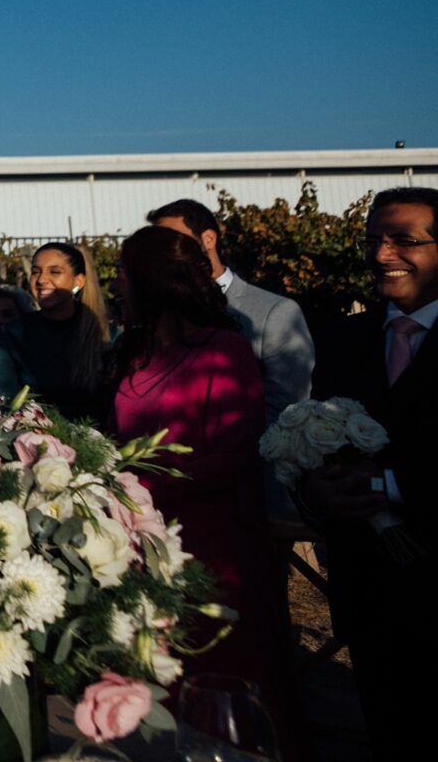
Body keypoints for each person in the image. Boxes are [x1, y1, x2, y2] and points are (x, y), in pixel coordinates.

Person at [108, 226, 305, 755]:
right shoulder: (136, 353)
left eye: (124, 270)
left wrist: (134, 485)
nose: (117, 281)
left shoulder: (226, 351)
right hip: (143, 542)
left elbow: (233, 455)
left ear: (151, 279)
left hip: (212, 546)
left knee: (224, 686)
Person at [300, 187, 437, 759]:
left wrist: (389, 487)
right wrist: (315, 488)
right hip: (366, 589)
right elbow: (314, 443)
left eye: (404, 240)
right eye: (374, 240)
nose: (382, 255)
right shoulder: (341, 340)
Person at [147, 198, 313, 429]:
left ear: (209, 239)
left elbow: (286, 409)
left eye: (174, 241)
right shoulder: (163, 316)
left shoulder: (275, 312)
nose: (166, 253)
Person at [0, 243, 108, 421]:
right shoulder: (15, 333)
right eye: (35, 271)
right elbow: (7, 397)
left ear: (78, 281)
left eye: (55, 272)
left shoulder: (105, 333)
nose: (41, 279)